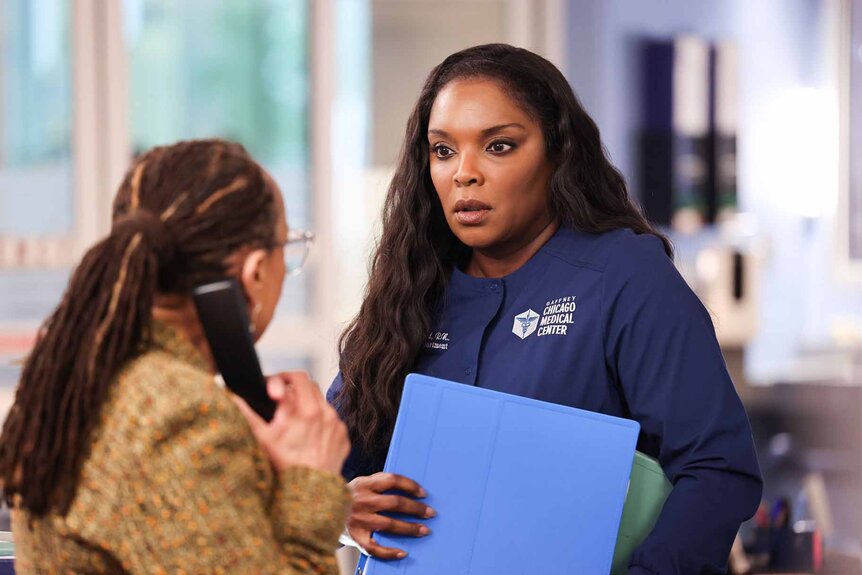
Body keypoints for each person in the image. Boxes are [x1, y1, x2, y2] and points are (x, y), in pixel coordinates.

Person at [328, 44, 763, 574]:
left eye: (499, 146)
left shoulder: (625, 276)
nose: (464, 173)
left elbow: (717, 469)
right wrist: (341, 506)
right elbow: (325, 470)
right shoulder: (407, 293)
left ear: (557, 151)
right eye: (443, 151)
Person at [0, 139, 351, 573]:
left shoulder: (82, 375)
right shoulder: (179, 413)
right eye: (288, 246)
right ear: (255, 271)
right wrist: (312, 482)